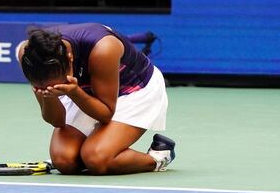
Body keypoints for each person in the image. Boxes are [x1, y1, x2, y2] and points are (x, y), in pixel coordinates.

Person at [18, 23, 175, 175]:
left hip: (134, 90)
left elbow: (105, 113)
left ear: (70, 58)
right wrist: (48, 97)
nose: (51, 88)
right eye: (44, 87)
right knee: (64, 161)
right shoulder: (28, 55)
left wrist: (75, 93)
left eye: (58, 85)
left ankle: (157, 158)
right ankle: (87, 157)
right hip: (87, 90)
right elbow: (57, 121)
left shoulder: (104, 48)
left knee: (96, 159)